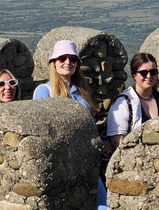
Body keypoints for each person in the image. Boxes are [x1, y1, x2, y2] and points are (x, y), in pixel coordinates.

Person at [33, 40, 107, 210]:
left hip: (87, 160)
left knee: (103, 204)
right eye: (62, 58)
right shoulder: (44, 91)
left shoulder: (81, 91)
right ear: (54, 63)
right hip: (63, 163)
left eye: (72, 59)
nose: (68, 62)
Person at [107, 52, 159, 149]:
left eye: (153, 72)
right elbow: (118, 143)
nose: (149, 76)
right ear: (134, 75)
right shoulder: (123, 103)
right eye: (144, 73)